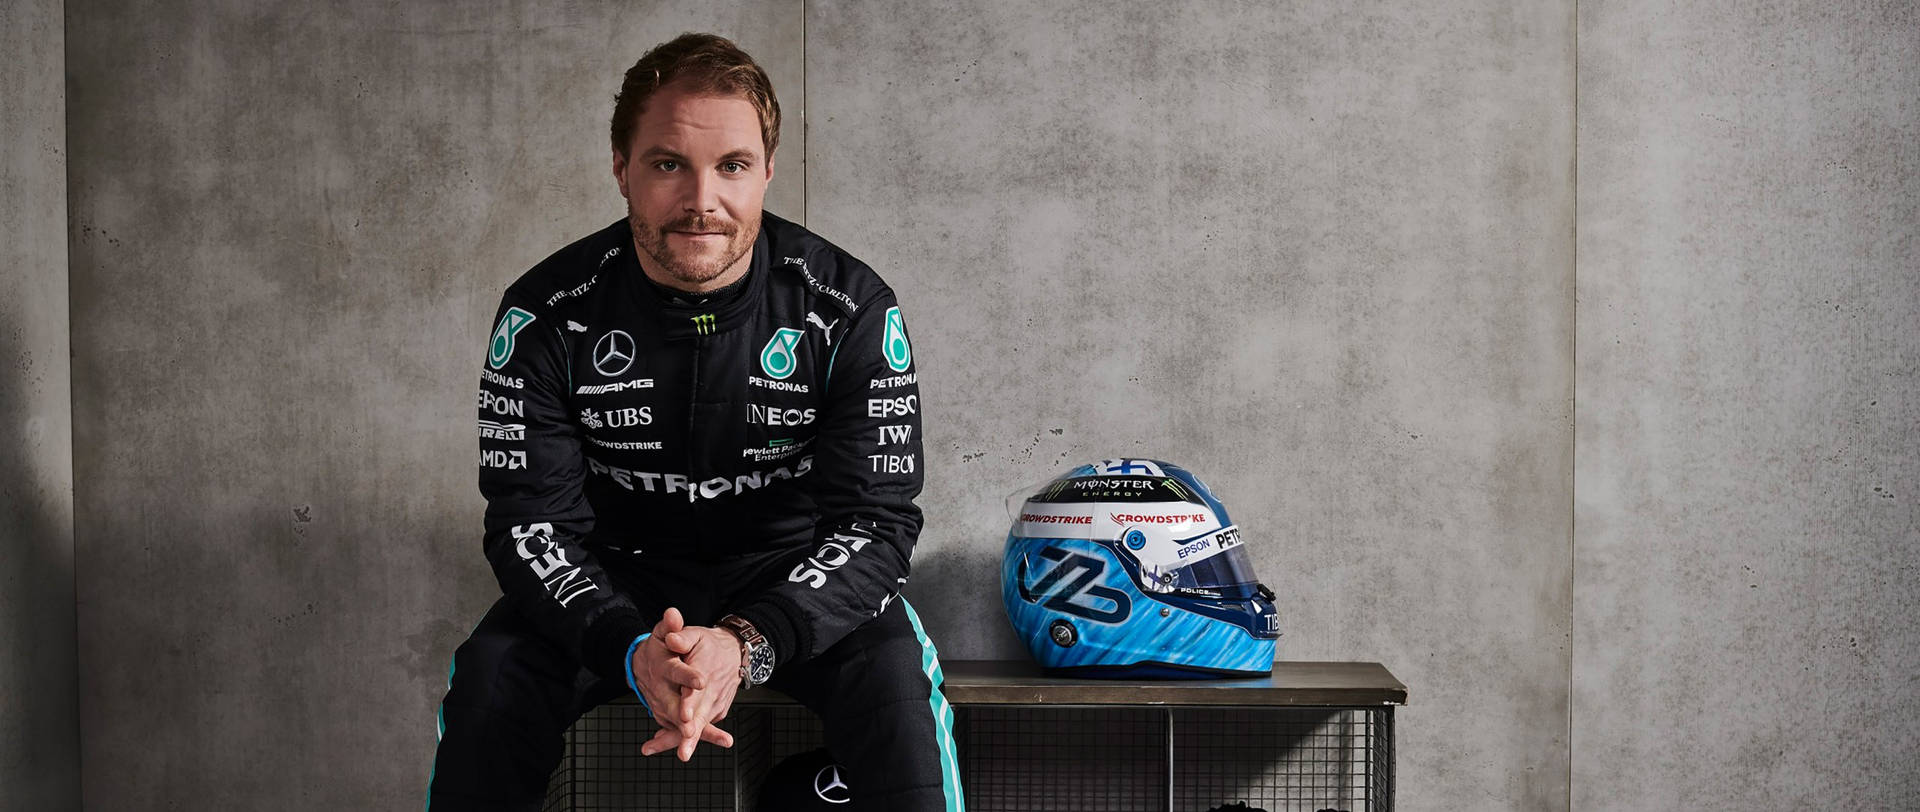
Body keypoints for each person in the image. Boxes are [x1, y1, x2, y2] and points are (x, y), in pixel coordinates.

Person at [427, 32, 963, 812]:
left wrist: (746, 645)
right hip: (613, 575)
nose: (701, 200)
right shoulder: (546, 313)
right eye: (668, 164)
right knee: (490, 681)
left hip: (789, 571)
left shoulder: (849, 309)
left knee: (897, 689)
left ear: (768, 171)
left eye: (733, 167)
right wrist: (632, 646)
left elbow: (877, 527)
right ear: (622, 169)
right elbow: (528, 527)